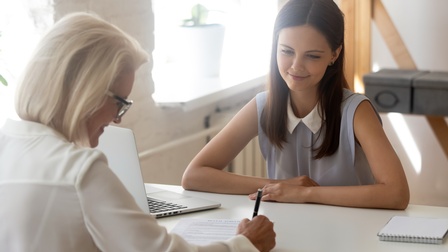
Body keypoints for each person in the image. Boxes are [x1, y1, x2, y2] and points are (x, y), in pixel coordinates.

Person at [0, 12, 276, 252]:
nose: (118, 120)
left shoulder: (6, 145)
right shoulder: (79, 171)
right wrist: (244, 244)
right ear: (86, 90)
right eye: (120, 103)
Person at [182, 0, 410, 210]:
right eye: (287, 52)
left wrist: (306, 193)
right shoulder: (262, 106)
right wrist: (282, 185)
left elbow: (397, 194)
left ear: (334, 54)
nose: (296, 66)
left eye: (312, 56)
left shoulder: (356, 111)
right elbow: (193, 176)